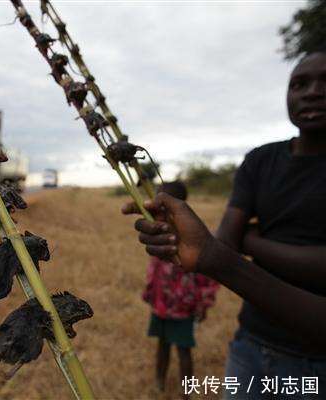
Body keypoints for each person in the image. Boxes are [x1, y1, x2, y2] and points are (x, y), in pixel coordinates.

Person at [123, 48, 326, 399]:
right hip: (252, 343)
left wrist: (252, 242)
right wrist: (229, 248)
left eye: (324, 82)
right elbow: (224, 245)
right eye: (299, 83)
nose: (312, 91)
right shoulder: (260, 162)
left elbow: (232, 245)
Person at [142, 181, 219, 396]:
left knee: (183, 350)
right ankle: (159, 383)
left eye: (163, 201)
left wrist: (203, 304)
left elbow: (207, 277)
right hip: (161, 304)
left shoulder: (194, 235)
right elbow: (154, 267)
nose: (157, 206)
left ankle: (187, 392)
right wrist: (149, 292)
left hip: (183, 307)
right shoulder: (158, 232)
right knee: (162, 345)